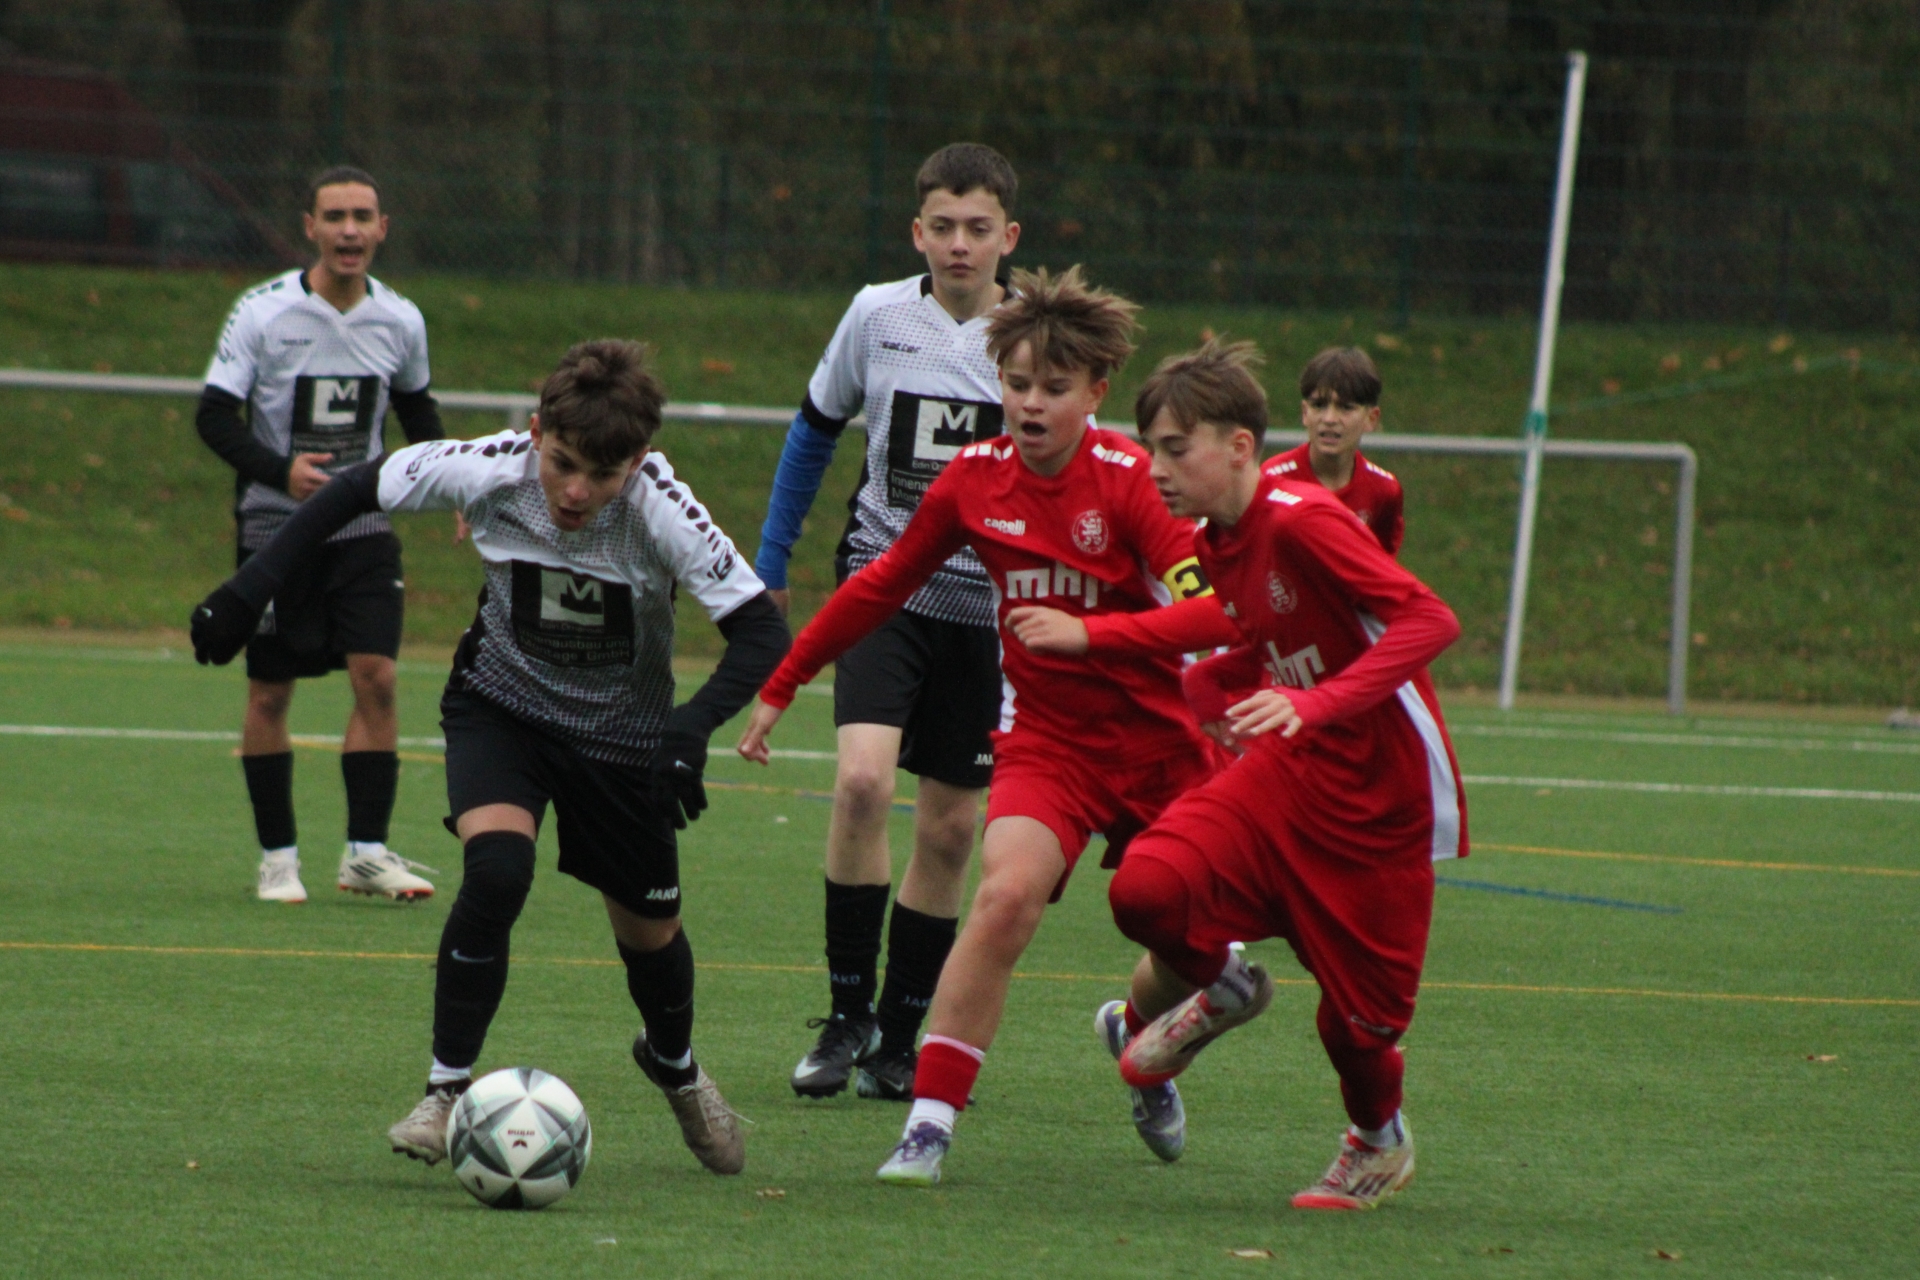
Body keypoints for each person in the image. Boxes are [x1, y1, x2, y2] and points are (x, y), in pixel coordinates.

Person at [189, 340, 789, 1177]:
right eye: (562, 463)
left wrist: (690, 730)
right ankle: (444, 1091)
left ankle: (676, 1066)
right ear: (536, 432)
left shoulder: (660, 508)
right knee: (498, 871)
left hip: (622, 741)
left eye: (602, 475)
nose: (575, 492)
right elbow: (358, 487)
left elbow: (761, 630)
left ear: (638, 461)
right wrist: (247, 589)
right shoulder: (491, 467)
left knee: (650, 934)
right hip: (501, 709)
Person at [738, 267, 1219, 1186]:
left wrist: (1091, 635)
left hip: (1161, 752)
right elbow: (882, 584)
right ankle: (927, 1126)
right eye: (1017, 383)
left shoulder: (1130, 483)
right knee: (1004, 898)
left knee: (1196, 946)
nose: (1030, 403)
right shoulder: (975, 479)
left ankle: (1144, 1042)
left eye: (1053, 387)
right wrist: (786, 678)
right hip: (1049, 747)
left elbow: (1212, 611)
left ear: (1095, 393)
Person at [1006, 338, 1466, 1211]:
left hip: (1378, 803)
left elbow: (1428, 620)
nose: (1157, 469)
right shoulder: (1216, 540)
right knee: (1147, 888)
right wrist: (1208, 686)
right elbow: (1249, 630)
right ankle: (1219, 986)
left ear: (1240, 446)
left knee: (1361, 1029)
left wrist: (1316, 703)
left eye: (1175, 450)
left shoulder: (1303, 519)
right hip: (1287, 777)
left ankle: (1379, 1141)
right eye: (1151, 449)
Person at [753, 143, 1022, 1101]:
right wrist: (772, 560)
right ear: (917, 232)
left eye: (978, 229)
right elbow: (813, 432)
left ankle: (901, 1038)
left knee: (949, 832)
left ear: (1009, 238)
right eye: (942, 227)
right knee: (863, 783)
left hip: (989, 613)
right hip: (883, 589)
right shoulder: (876, 315)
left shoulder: (1033, 337)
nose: (959, 245)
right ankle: (845, 1016)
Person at [195, 165, 447, 905]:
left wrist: (458, 486)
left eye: (362, 216)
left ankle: (365, 854)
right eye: (334, 216)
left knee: (378, 676)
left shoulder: (400, 320)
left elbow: (418, 415)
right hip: (277, 529)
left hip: (362, 523)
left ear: (382, 229)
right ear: (309, 227)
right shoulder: (262, 312)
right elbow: (213, 417)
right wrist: (281, 472)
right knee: (271, 690)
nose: (349, 230)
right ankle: (278, 859)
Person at [1183, 347, 1408, 750]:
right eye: (1319, 405)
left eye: (1346, 407)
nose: (1329, 418)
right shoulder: (1272, 479)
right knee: (1257, 752)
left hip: (1335, 651)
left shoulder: (1383, 490)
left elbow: (1381, 574)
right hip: (1270, 643)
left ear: (1371, 418)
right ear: (1304, 413)